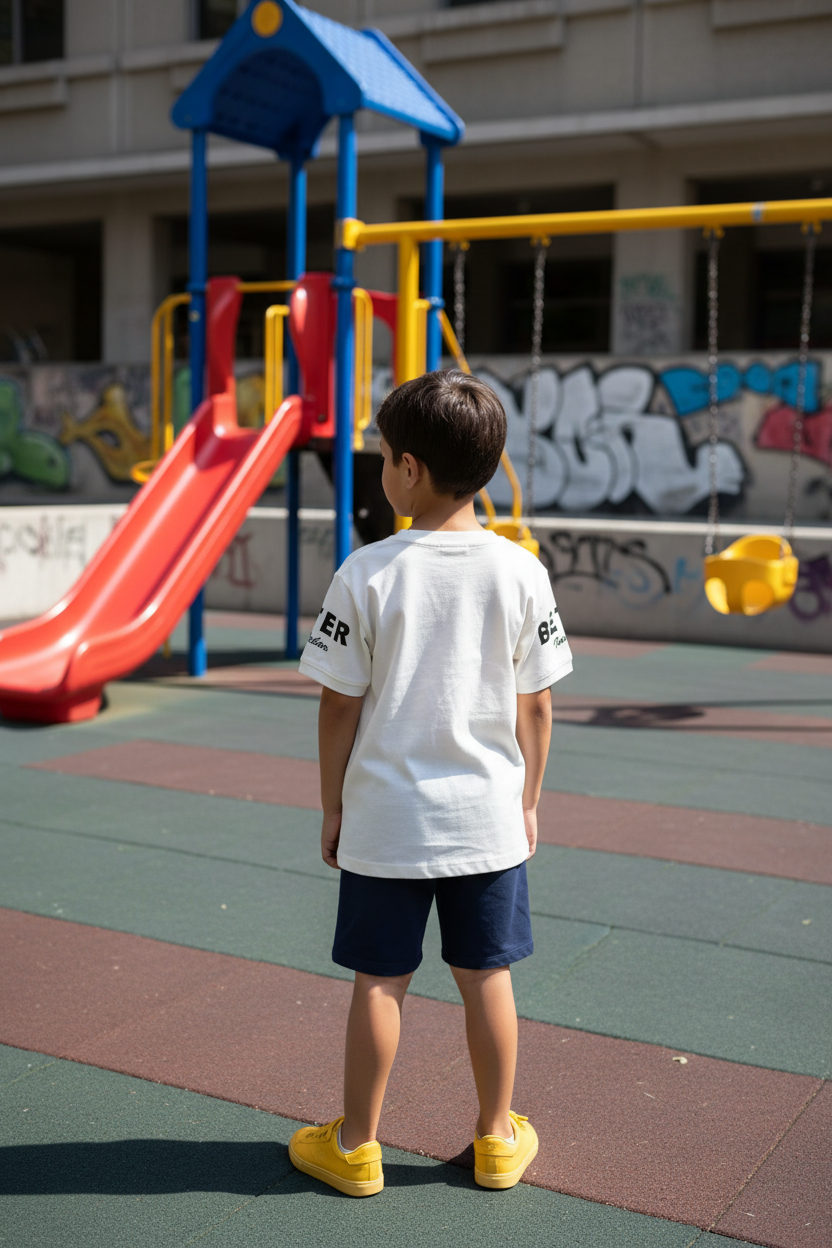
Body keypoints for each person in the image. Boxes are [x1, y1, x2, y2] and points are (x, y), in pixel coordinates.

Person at [290, 370, 572, 1197]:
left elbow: (339, 706)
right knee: (487, 975)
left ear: (409, 468)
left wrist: (332, 802)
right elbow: (540, 708)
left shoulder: (368, 571)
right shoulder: (521, 571)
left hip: (387, 819)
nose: (381, 469)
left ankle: (356, 1147)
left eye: (382, 456)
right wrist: (527, 800)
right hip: (487, 818)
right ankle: (494, 1140)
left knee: (382, 980)